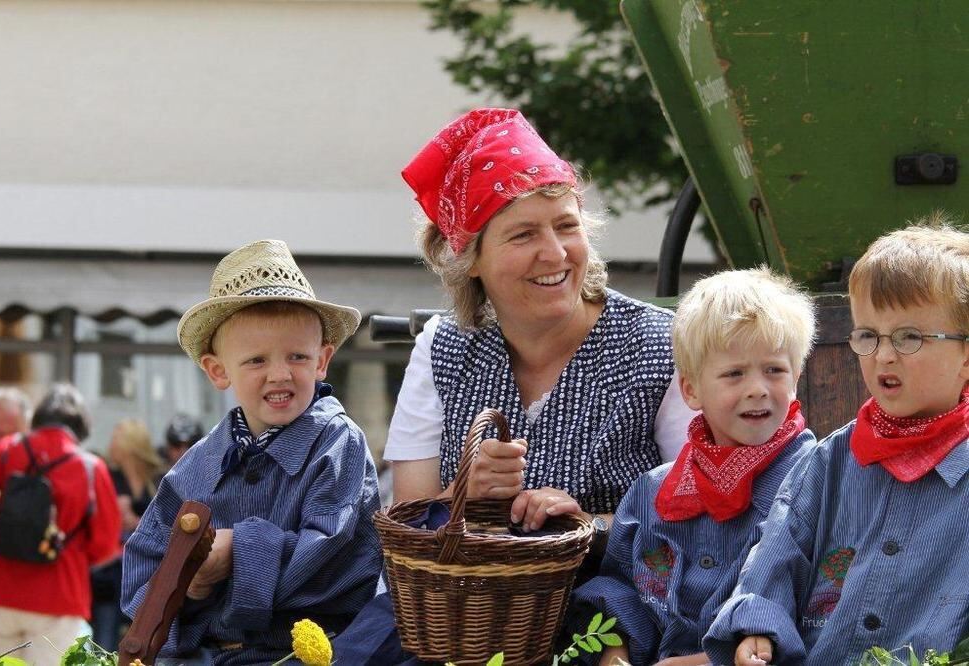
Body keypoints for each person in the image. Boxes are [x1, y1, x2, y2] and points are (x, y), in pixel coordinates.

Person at [333, 108, 694, 663]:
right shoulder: (444, 347)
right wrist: (463, 496)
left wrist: (591, 523)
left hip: (613, 620)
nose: (554, 253)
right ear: (470, 258)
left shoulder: (657, 344)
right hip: (464, 624)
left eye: (567, 226)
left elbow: (699, 509)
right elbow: (408, 530)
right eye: (523, 234)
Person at [703, 217, 969, 665]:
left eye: (909, 337)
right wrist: (757, 628)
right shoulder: (828, 461)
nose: (884, 354)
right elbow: (777, 551)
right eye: (869, 335)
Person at [121, 239, 383, 665]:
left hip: (305, 656)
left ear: (322, 361)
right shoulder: (198, 464)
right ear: (218, 371)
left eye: (297, 356)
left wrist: (238, 553)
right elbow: (144, 569)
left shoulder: (338, 444)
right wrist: (189, 585)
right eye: (257, 360)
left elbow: (333, 559)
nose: (279, 374)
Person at [571, 268, 818, 666]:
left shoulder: (816, 483)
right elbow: (618, 586)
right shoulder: (653, 491)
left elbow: (820, 606)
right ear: (691, 390)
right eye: (734, 373)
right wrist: (613, 653)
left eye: (774, 369)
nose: (757, 387)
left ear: (795, 379)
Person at [0, 383, 121, 665]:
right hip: (59, 599)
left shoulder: (6, 450)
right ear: (81, 428)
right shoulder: (91, 468)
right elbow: (104, 546)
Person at [91, 418, 165, 650]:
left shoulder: (160, 478)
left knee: (146, 643)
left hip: (148, 573)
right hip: (110, 575)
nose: (111, 445)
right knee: (104, 642)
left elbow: (168, 521)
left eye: (115, 439)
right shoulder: (109, 476)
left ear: (129, 444)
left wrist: (135, 521)